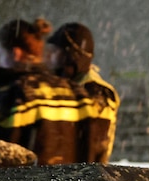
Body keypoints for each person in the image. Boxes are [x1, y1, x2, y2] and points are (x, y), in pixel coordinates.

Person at [0, 18, 88, 166]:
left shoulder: (16, 94)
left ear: (16, 53)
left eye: (0, 55)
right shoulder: (70, 89)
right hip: (69, 180)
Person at [45, 22, 119, 163]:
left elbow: (92, 150)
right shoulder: (66, 86)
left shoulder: (97, 93)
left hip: (79, 175)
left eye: (55, 52)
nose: (49, 57)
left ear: (71, 56)